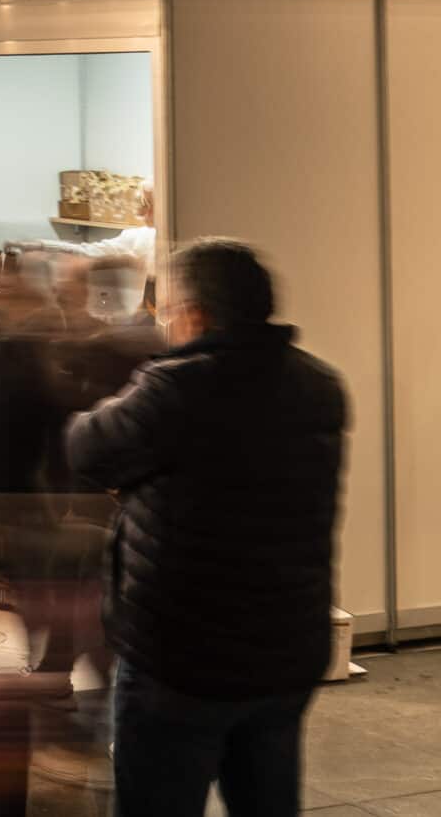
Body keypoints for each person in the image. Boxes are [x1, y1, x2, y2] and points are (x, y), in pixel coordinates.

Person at [66, 240, 347, 817]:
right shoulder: (319, 384)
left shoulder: (177, 388)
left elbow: (87, 447)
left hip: (182, 656)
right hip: (285, 648)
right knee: (267, 800)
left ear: (193, 313)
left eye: (166, 311)